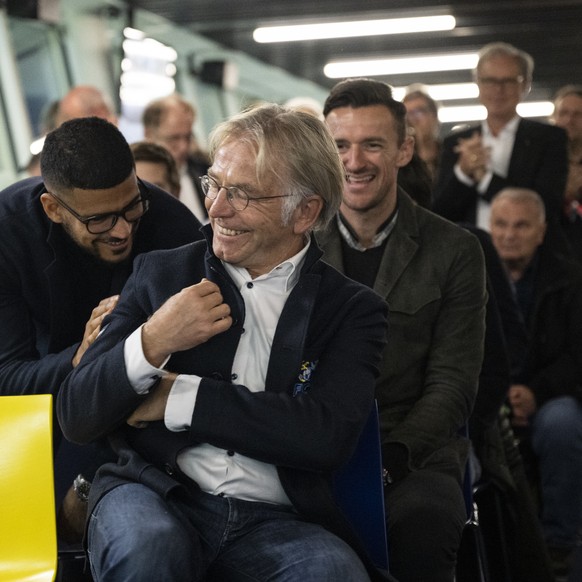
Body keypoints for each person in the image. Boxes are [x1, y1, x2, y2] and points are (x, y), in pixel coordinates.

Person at [57, 104, 391, 582]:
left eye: (243, 195)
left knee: (332, 571)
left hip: (277, 518)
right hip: (155, 491)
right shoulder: (163, 274)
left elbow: (325, 437)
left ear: (306, 212)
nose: (216, 208)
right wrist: (153, 340)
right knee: (149, 548)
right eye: (214, 184)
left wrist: (179, 397)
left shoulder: (350, 310)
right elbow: (77, 414)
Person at [0, 117, 203, 544]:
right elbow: (7, 381)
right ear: (53, 208)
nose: (123, 230)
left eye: (132, 207)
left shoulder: (172, 227)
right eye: (100, 220)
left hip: (145, 426)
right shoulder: (8, 232)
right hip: (32, 420)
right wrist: (79, 359)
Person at [319, 78, 487, 582]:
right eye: (340, 146)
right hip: (312, 441)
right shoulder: (294, 242)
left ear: (404, 150)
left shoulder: (455, 250)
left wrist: (388, 460)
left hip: (415, 453)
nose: (354, 161)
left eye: (372, 144)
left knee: (421, 519)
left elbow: (452, 385)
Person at [489, 187, 582, 581]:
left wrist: (534, 393)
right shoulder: (469, 271)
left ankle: (558, 544)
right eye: (501, 224)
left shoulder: (571, 279)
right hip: (489, 394)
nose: (510, 234)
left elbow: (578, 356)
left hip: (551, 396)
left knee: (562, 426)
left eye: (521, 225)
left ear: (541, 231)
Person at [432, 42, 568, 238]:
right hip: (471, 255)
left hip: (530, 259)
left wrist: (484, 178)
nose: (498, 90)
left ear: (526, 85)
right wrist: (463, 173)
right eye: (489, 81)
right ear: (477, 84)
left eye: (508, 81)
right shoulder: (456, 143)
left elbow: (545, 206)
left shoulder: (549, 139)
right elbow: (440, 213)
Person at [142, 93, 210, 222]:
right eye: (174, 139)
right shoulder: (137, 182)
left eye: (188, 137)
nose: (183, 147)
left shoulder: (206, 171)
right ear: (149, 135)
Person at [552, 85, 582, 263]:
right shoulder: (542, 164)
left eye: (577, 114)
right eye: (563, 113)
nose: (569, 120)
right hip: (553, 252)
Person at [402, 85, 441, 184]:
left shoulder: (450, 153)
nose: (413, 120)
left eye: (419, 112)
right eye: (408, 114)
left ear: (434, 115)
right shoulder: (401, 159)